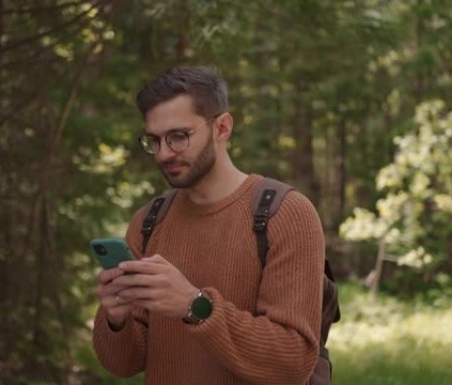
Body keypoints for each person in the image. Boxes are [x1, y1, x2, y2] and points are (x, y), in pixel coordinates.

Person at [93, 66, 326, 385]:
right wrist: (117, 320)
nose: (163, 154)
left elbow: (292, 361)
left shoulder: (285, 213)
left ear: (222, 128)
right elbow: (123, 365)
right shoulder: (149, 221)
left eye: (178, 137)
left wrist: (194, 305)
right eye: (154, 141)